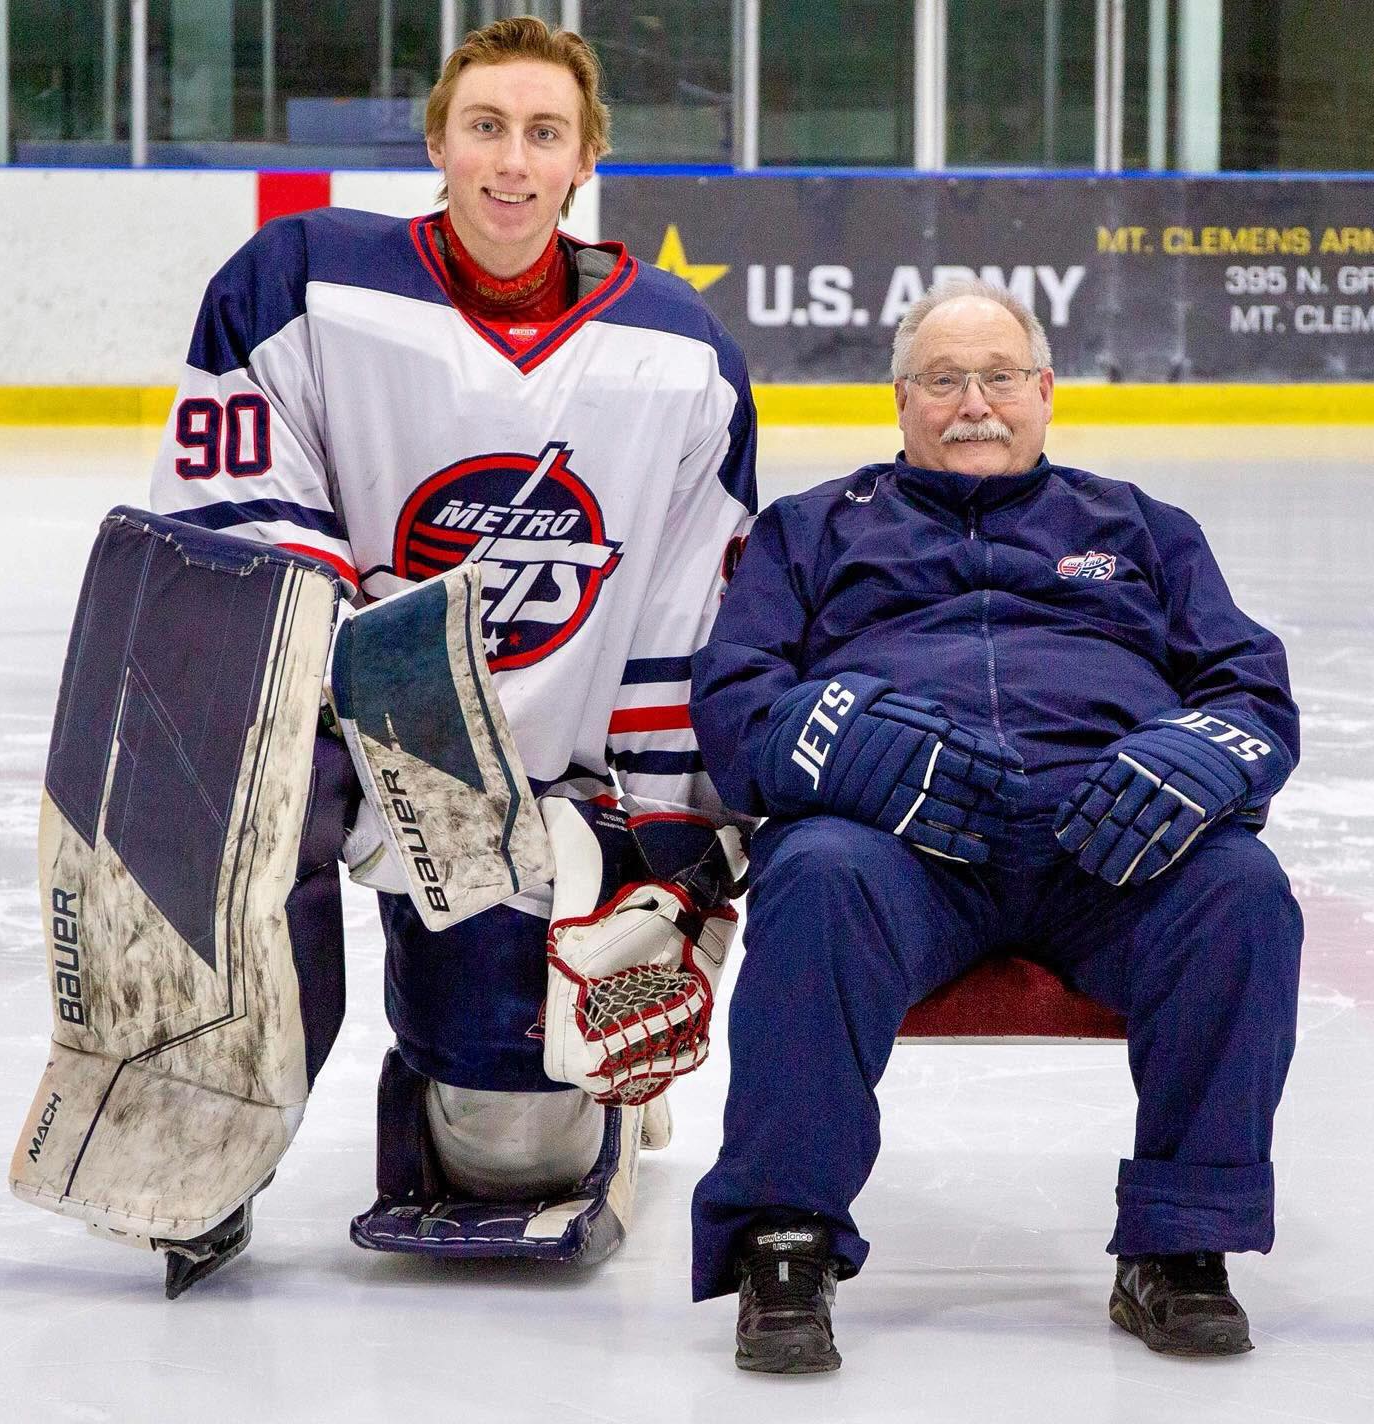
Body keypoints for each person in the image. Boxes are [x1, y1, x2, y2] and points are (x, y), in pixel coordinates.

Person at [144, 17, 756, 1280]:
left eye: (544, 133)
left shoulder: (685, 355)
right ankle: (209, 1136)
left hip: (533, 793)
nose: (511, 162)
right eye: (485, 128)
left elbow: (677, 622)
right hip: (332, 719)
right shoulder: (302, 280)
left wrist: (660, 843)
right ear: (438, 141)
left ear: (586, 156)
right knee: (246, 846)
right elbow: (240, 522)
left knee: (503, 1149)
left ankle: (523, 1072)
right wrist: (373, 707)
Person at [687, 278, 1301, 1372]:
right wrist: (848, 748)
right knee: (815, 868)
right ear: (900, 398)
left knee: (1241, 887)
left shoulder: (1141, 527)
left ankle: (1182, 1243)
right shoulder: (811, 529)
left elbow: (1252, 690)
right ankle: (786, 1237)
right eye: (943, 379)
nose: (974, 402)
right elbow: (734, 708)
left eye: (999, 376)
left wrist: (1203, 759)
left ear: (1045, 390)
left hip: (1110, 842)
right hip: (898, 848)